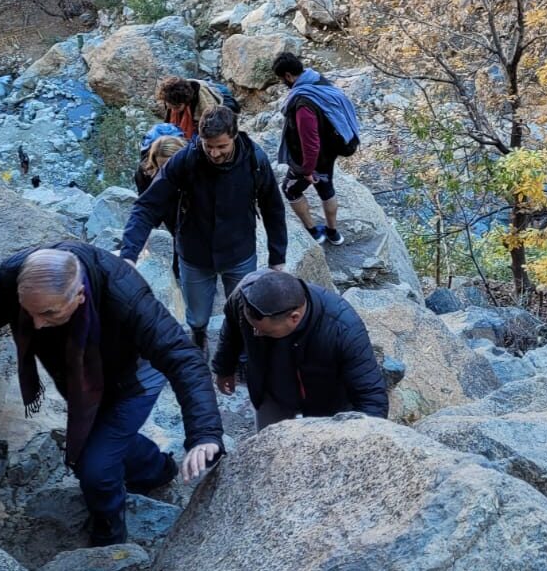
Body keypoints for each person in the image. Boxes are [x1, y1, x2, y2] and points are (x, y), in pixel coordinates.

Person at [0, 243, 224, 546]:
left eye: (48, 313)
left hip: (135, 379)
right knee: (105, 440)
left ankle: (110, 534)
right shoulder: (20, 278)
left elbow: (182, 357)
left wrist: (204, 432)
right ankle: (158, 470)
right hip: (80, 377)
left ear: (80, 296)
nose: (36, 324)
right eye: (28, 312)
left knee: (95, 469)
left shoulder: (123, 293)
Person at [120, 107, 287, 353]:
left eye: (221, 146)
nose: (214, 153)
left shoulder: (255, 160)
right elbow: (147, 206)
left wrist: (277, 257)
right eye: (209, 146)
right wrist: (129, 253)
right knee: (197, 316)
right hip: (194, 253)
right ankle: (199, 338)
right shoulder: (186, 159)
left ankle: (238, 354)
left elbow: (272, 207)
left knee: (242, 311)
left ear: (235, 135)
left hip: (239, 251)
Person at [213, 268, 388, 430]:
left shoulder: (343, 328)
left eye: (265, 331)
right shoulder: (246, 295)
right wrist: (224, 368)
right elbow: (232, 329)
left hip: (325, 401)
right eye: (252, 327)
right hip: (272, 391)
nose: (256, 333)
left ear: (294, 318)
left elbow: (371, 396)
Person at [272, 52, 361, 246]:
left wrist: (307, 170)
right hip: (329, 153)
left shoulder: (304, 104)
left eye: (282, 79)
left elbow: (310, 143)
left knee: (290, 190)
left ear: (288, 75)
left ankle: (314, 233)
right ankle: (334, 233)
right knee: (326, 189)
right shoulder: (318, 80)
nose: (283, 83)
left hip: (311, 159)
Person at [156, 77, 234, 141]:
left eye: (176, 107)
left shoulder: (205, 105)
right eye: (170, 106)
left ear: (186, 102)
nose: (173, 110)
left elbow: (209, 130)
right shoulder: (170, 98)